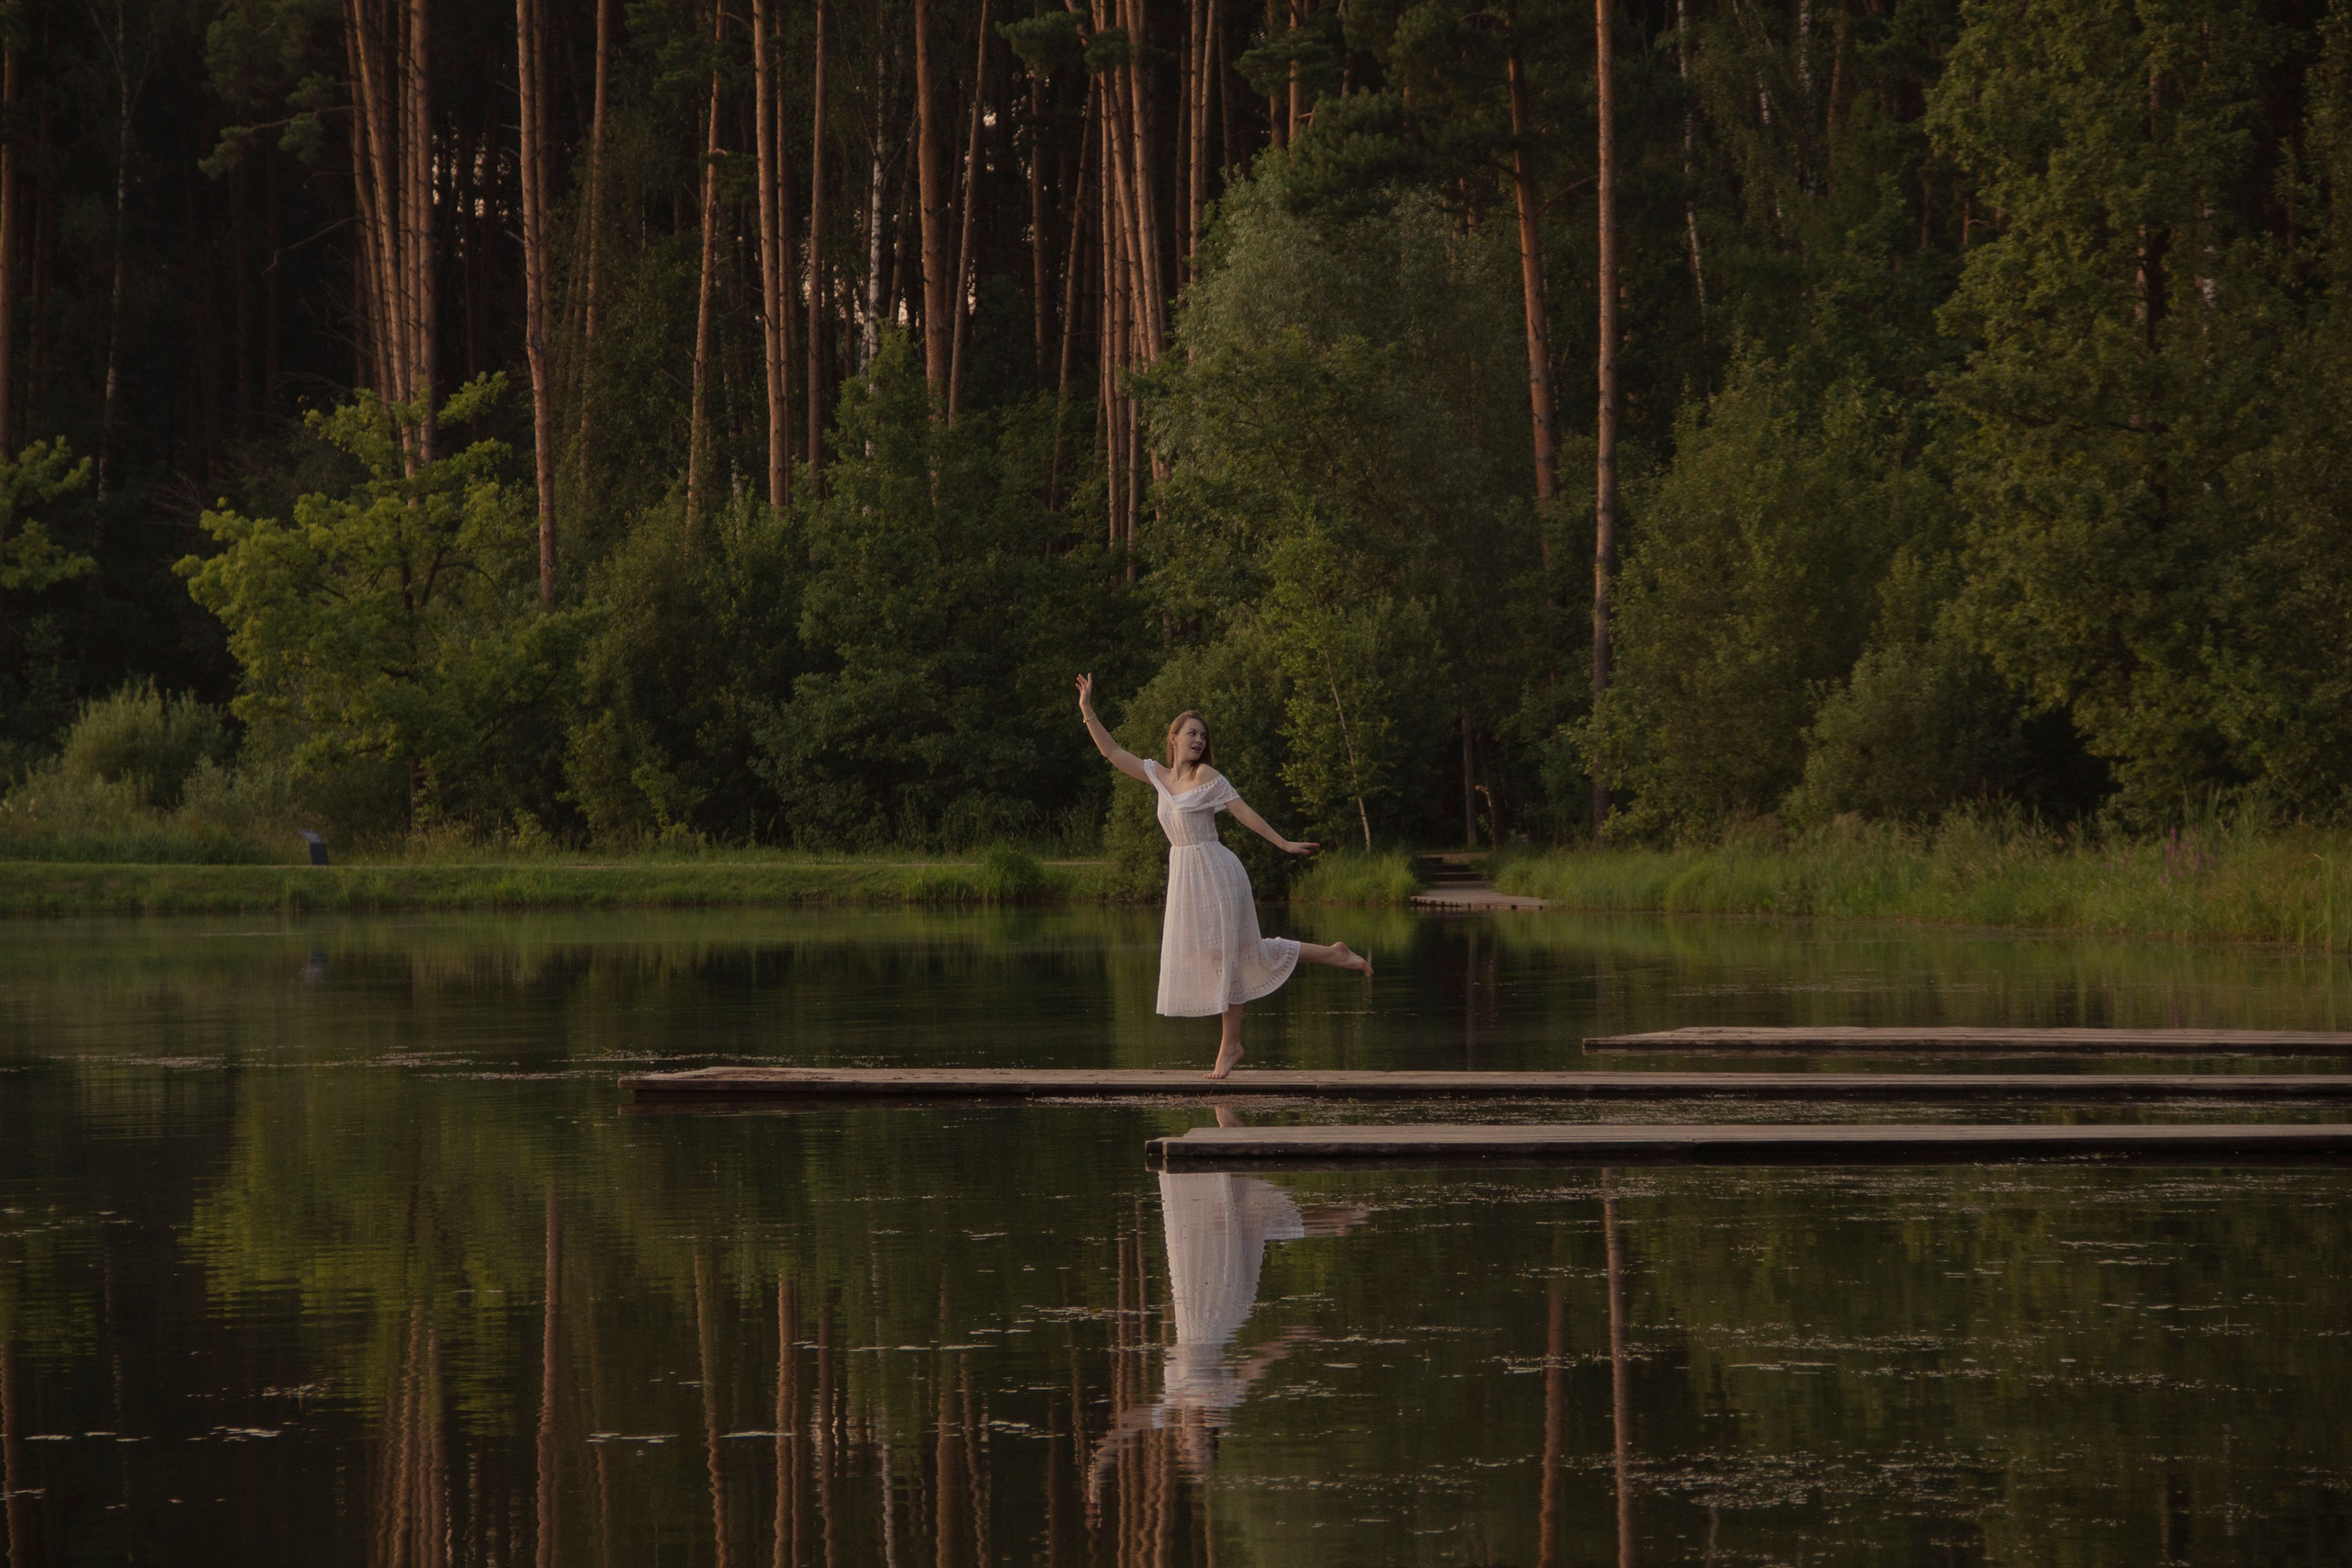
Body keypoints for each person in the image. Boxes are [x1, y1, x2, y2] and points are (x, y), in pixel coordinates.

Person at [1076, 673, 1373, 1079]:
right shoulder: (1159, 777)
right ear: (1173, 737)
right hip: (1186, 876)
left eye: (1203, 735)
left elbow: (1244, 812)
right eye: (1191, 733)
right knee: (1237, 953)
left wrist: (1283, 843)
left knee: (1229, 957)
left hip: (1217, 873)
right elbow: (1112, 752)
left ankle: (1230, 1046)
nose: (1198, 740)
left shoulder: (1208, 778)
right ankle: (1333, 953)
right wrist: (1088, 710)